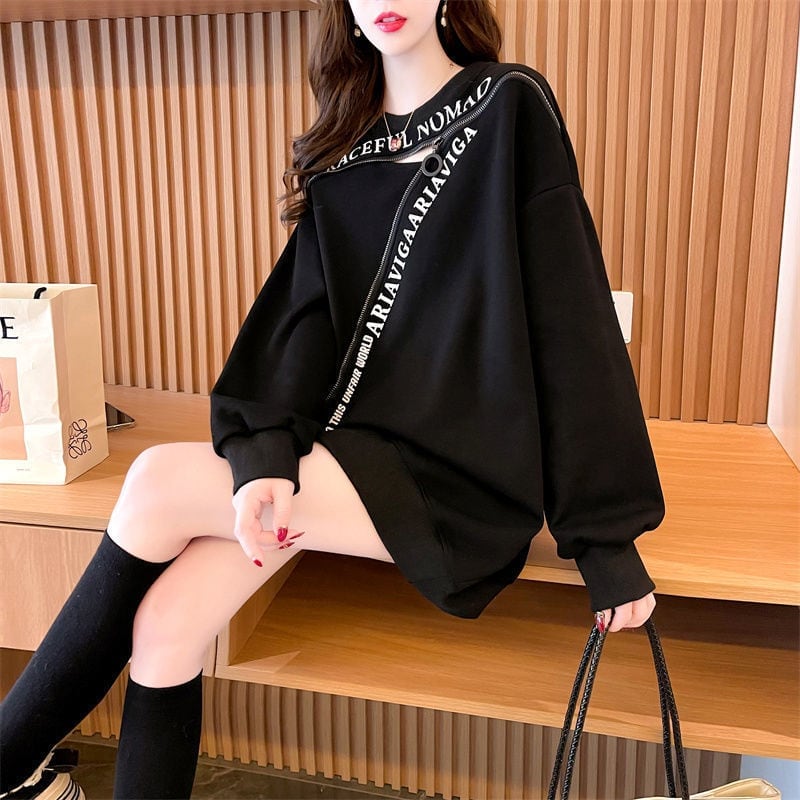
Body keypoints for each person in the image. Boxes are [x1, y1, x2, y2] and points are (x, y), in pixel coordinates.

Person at [0, 1, 665, 798]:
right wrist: (264, 454)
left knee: (153, 484)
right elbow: (301, 323)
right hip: (353, 454)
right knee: (166, 627)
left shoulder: (505, 105)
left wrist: (604, 538)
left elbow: (570, 314)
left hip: (462, 473)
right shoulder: (347, 151)